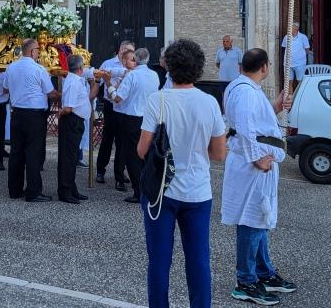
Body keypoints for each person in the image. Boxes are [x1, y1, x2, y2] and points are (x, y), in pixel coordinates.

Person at [139, 40, 227, 308]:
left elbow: (142, 150)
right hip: (197, 190)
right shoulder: (209, 102)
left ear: (168, 67)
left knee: (159, 260)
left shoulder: (158, 100)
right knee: (198, 259)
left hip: (162, 191)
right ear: (199, 68)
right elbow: (219, 153)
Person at [221, 48, 297, 306]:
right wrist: (256, 158)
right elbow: (245, 127)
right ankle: (245, 281)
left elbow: (257, 120)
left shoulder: (246, 88)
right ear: (264, 67)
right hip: (252, 166)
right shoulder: (244, 91)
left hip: (257, 162)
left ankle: (264, 273)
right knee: (251, 221)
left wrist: (277, 105)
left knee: (260, 220)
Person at [3, 38, 59, 203]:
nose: (39, 53)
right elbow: (50, 93)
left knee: (16, 152)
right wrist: (62, 95)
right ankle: (33, 192)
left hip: (17, 113)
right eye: (38, 50)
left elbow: (5, 89)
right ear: (32, 51)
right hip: (34, 115)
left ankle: (14, 190)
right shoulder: (39, 69)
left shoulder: (11, 67)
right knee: (33, 153)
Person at [104, 47, 160, 204]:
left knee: (133, 156)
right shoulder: (154, 75)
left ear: (135, 59)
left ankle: (138, 191)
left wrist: (108, 84)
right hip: (148, 118)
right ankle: (148, 187)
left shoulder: (132, 75)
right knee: (146, 154)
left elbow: (118, 98)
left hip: (132, 118)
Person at [57, 54, 97, 204]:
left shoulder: (77, 79)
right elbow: (68, 108)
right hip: (71, 120)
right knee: (68, 157)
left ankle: (71, 187)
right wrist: (60, 112)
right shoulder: (73, 82)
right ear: (80, 67)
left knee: (72, 157)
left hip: (76, 121)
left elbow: (90, 73)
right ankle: (65, 191)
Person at [96, 41, 134, 189]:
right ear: (121, 50)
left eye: (132, 52)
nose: (132, 55)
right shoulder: (108, 63)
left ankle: (120, 173)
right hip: (111, 105)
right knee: (107, 139)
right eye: (128, 51)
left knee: (122, 141)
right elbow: (97, 80)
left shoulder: (133, 67)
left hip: (125, 107)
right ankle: (100, 170)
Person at [280, 22, 310, 90]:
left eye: (291, 27)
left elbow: (307, 50)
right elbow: (284, 48)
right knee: (288, 82)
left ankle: (299, 96)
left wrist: (300, 56)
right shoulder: (286, 37)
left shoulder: (303, 37)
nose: (289, 29)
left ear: (296, 28)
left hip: (300, 63)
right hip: (288, 64)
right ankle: (290, 96)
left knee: (300, 82)